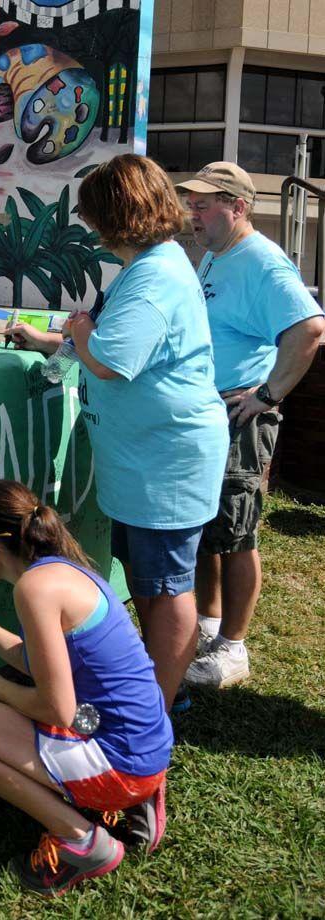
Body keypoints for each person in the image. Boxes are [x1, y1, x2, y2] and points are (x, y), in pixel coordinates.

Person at [4, 154, 229, 712]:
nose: (90, 229)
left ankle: (154, 709)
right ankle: (154, 693)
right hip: (146, 458)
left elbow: (112, 361)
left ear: (114, 216)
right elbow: (118, 350)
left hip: (165, 462)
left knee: (165, 588)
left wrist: (79, 330)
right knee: (149, 582)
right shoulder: (153, 266)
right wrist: (57, 344)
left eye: (93, 216)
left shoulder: (154, 274)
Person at [0, 479, 173, 898]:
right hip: (147, 748)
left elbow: (57, 708)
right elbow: (35, 659)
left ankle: (81, 840)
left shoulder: (34, 589)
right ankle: (138, 801)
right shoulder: (62, 570)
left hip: (120, 763)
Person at [175, 163, 325, 688]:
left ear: (238, 206)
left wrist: (268, 394)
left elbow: (309, 328)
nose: (192, 215)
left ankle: (233, 649)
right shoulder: (218, 255)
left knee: (237, 532)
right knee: (209, 527)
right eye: (191, 205)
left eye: (203, 205)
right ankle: (209, 626)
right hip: (212, 410)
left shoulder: (262, 261)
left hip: (239, 414)